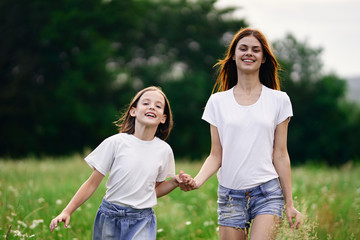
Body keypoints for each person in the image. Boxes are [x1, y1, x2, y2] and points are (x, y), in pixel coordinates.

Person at [179, 28, 302, 239]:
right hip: (229, 196)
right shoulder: (217, 102)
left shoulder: (279, 100)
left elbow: (280, 154)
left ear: (263, 58)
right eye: (243, 48)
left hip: (267, 193)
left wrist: (289, 203)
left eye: (256, 50)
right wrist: (197, 181)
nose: (249, 53)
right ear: (233, 55)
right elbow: (216, 155)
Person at [49, 86, 192, 240]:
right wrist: (67, 211)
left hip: (142, 219)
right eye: (146, 103)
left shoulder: (164, 151)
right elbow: (92, 183)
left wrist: (175, 182)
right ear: (133, 111)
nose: (152, 106)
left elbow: (154, 191)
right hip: (110, 216)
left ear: (163, 118)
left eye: (158, 106)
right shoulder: (116, 143)